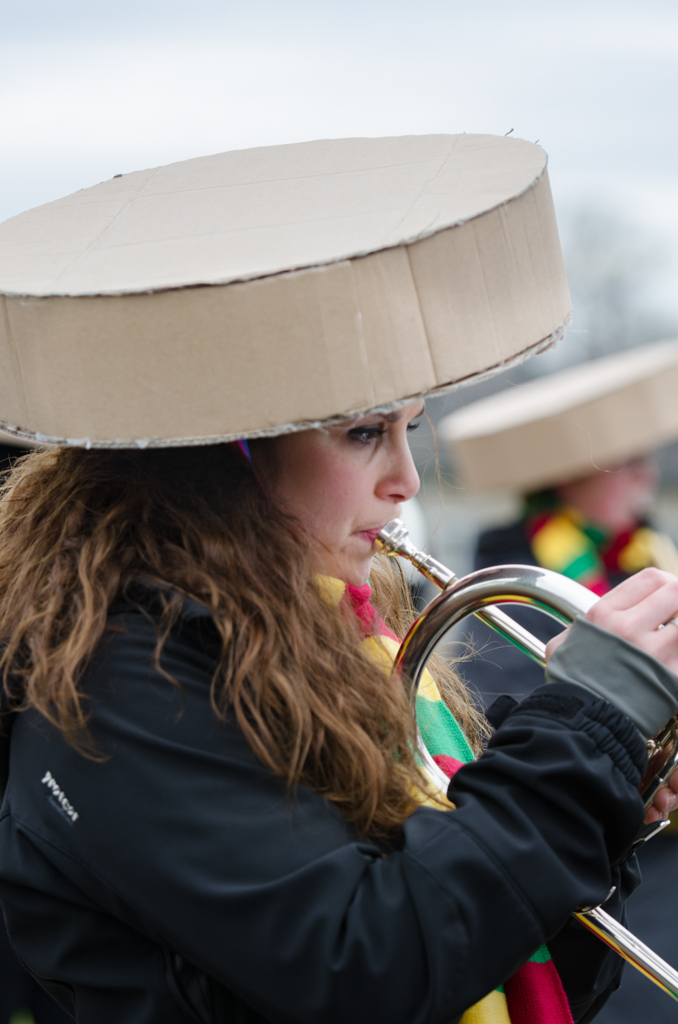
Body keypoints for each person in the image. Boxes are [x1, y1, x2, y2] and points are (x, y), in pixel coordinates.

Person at [1, 134, 678, 1024]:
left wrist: (608, 798)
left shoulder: (337, 641)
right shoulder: (121, 677)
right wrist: (582, 734)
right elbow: (367, 970)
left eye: (409, 429)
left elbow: (502, 964)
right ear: (227, 460)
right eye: (364, 433)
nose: (407, 481)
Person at [441, 340, 678, 1022]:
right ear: (567, 478)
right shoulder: (514, 592)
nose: (647, 474)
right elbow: (520, 725)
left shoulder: (642, 554)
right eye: (625, 461)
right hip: (627, 882)